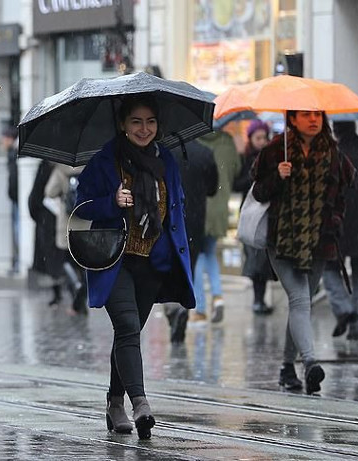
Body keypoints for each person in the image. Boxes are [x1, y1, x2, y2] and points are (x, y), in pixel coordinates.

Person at [74, 94, 195, 439]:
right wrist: (111, 201)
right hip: (115, 260)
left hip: (153, 262)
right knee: (127, 326)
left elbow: (175, 206)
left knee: (128, 334)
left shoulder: (166, 159)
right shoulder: (105, 160)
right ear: (123, 125)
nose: (144, 129)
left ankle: (115, 402)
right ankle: (140, 403)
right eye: (136, 122)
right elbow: (81, 204)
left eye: (150, 122)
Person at [251, 110, 356, 395]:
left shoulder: (333, 153)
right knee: (299, 300)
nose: (313, 120)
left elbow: (343, 194)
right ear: (292, 119)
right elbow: (258, 192)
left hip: (320, 241)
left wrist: (335, 221)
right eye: (306, 115)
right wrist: (277, 176)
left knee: (302, 304)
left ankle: (287, 368)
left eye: (317, 115)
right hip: (282, 240)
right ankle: (310, 362)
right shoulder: (277, 149)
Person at [165, 139, 217, 342]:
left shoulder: (164, 153)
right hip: (195, 221)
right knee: (189, 268)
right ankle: (183, 308)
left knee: (167, 267)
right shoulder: (205, 153)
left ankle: (172, 309)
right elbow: (212, 189)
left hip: (169, 218)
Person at [322, 121, 358, 340]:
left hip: (336, 224)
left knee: (328, 268)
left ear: (336, 130)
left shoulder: (332, 156)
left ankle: (342, 308)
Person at [192, 129, 240, 323]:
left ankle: (200, 309)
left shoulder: (194, 141)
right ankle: (218, 295)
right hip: (220, 207)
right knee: (210, 253)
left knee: (196, 256)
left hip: (199, 206)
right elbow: (236, 169)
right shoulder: (227, 141)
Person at [233, 119, 275, 315]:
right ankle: (258, 300)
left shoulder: (272, 159)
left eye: (264, 137)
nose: (262, 141)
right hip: (250, 214)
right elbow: (236, 184)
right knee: (254, 257)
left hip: (266, 213)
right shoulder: (246, 159)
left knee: (263, 259)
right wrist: (253, 177)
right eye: (258, 138)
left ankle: (260, 299)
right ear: (250, 138)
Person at [44, 163, 88, 314]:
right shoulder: (90, 167)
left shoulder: (61, 169)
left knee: (67, 261)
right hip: (85, 222)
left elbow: (49, 192)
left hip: (67, 222)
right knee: (84, 263)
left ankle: (76, 287)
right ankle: (83, 291)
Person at [28, 159, 69, 305]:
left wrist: (38, 216)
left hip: (48, 219)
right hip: (71, 217)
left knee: (52, 258)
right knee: (67, 257)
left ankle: (58, 293)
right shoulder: (76, 166)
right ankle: (75, 291)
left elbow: (39, 195)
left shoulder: (48, 167)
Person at [3, 125, 19, 273]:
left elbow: (14, 179)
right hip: (15, 198)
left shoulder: (14, 154)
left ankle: (18, 263)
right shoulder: (12, 153)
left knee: (18, 231)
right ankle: (17, 262)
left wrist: (13, 194)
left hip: (17, 199)